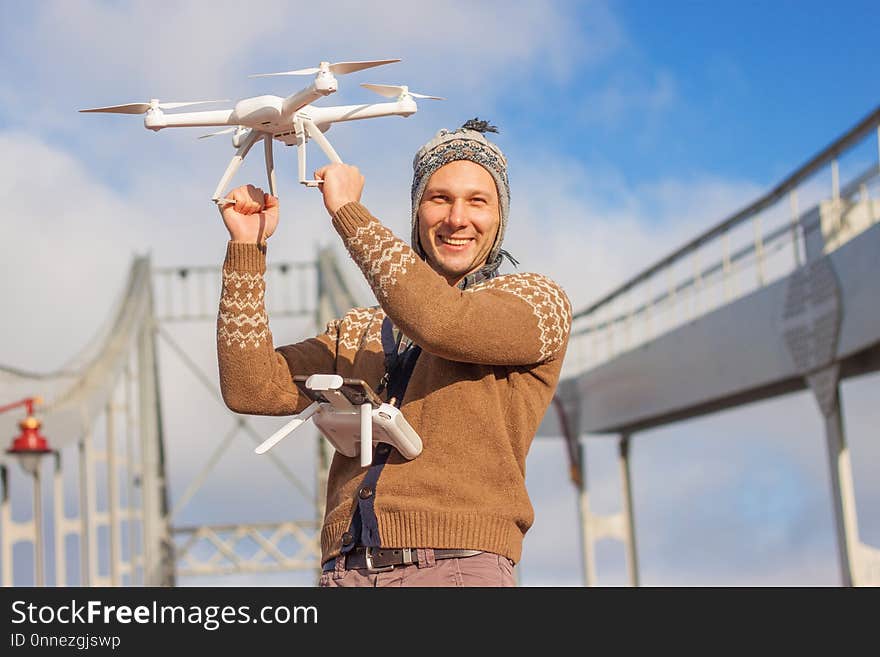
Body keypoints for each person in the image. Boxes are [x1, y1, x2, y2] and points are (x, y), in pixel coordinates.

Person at [216, 119, 572, 587]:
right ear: (417, 209)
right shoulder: (361, 328)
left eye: (477, 201)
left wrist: (348, 212)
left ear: (500, 215)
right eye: (439, 198)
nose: (457, 218)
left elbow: (442, 324)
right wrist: (247, 247)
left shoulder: (537, 303)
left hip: (456, 569)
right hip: (345, 572)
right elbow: (252, 389)